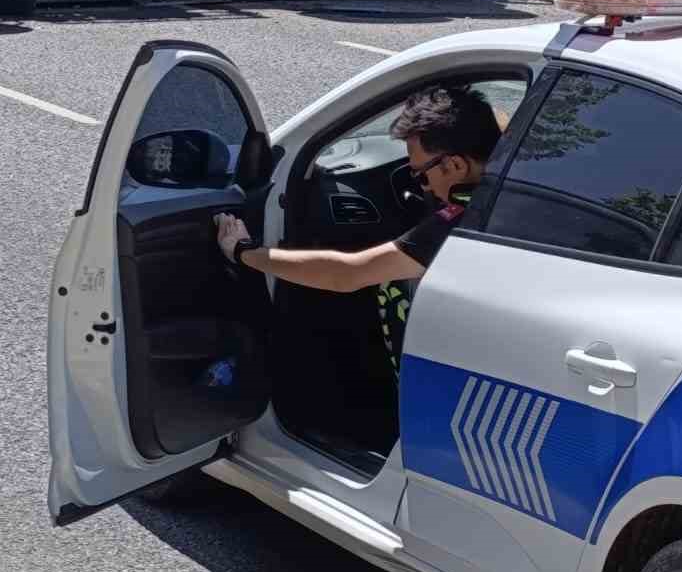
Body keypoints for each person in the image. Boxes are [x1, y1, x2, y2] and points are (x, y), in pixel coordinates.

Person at [214, 85, 502, 373]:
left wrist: (243, 252)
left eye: (421, 174)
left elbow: (348, 274)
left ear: (454, 164)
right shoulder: (507, 196)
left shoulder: (464, 220)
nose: (420, 186)